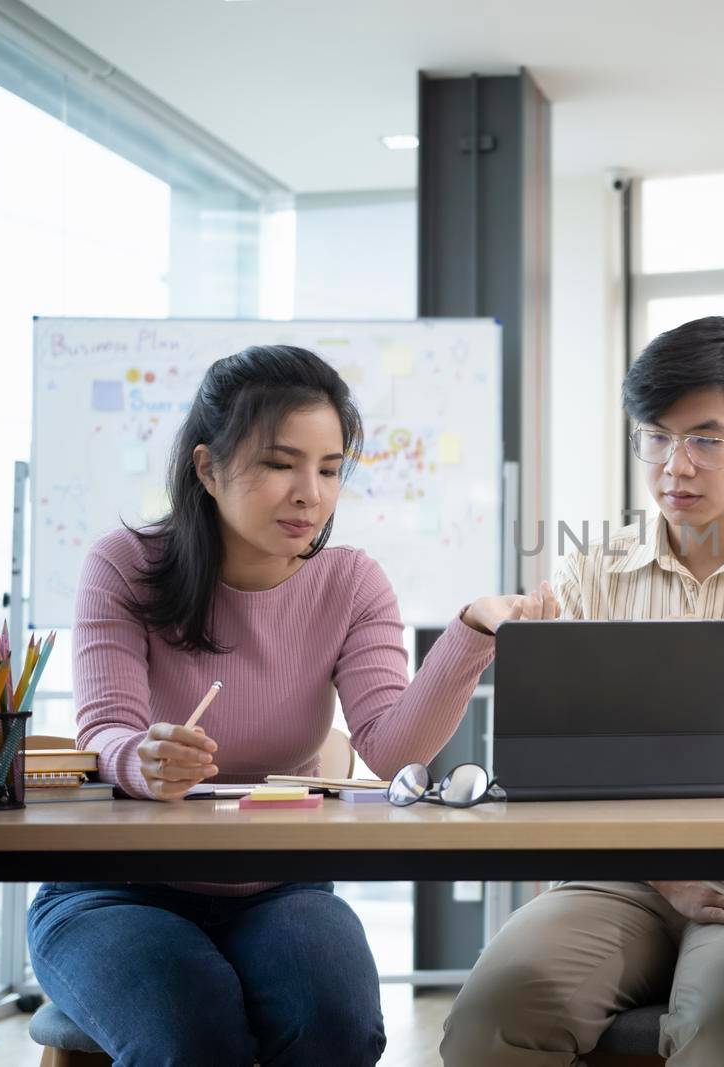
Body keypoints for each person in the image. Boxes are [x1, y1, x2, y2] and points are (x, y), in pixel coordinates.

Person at [28, 346, 519, 1067]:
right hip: (115, 888)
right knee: (191, 1030)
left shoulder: (351, 582)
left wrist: (473, 632)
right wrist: (143, 757)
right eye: (279, 463)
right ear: (206, 467)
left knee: (338, 1023)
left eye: (328, 469)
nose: (309, 494)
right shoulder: (124, 565)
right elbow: (105, 728)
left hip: (278, 884)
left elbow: (388, 751)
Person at [441, 316, 724, 1066]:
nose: (674, 465)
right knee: (491, 1021)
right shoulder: (593, 571)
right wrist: (668, 871)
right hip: (620, 874)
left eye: (706, 439)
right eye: (654, 435)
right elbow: (559, 761)